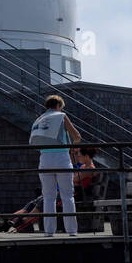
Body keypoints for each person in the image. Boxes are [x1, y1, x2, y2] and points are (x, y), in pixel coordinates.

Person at [30, 95, 81, 236]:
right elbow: (76, 135)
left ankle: (49, 231)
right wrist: (72, 145)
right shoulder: (61, 116)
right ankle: (71, 230)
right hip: (62, 157)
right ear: (58, 105)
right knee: (67, 195)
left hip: (44, 158)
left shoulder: (39, 119)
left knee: (48, 197)